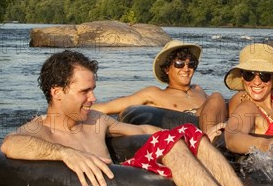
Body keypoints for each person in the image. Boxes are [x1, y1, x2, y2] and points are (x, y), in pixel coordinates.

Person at [0, 50, 273, 186]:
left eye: (93, 89)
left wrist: (190, 136)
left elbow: (143, 129)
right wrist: (65, 152)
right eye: (85, 91)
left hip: (126, 183)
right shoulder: (40, 128)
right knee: (170, 141)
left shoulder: (96, 121)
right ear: (57, 92)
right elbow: (10, 144)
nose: (92, 98)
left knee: (183, 134)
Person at [92, 40, 227, 138]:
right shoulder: (154, 93)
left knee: (218, 97)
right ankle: (210, 142)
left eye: (191, 64)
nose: (186, 69)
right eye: (179, 64)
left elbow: (217, 111)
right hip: (185, 134)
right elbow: (108, 107)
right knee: (216, 96)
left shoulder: (198, 90)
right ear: (167, 68)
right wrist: (76, 108)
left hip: (208, 126)